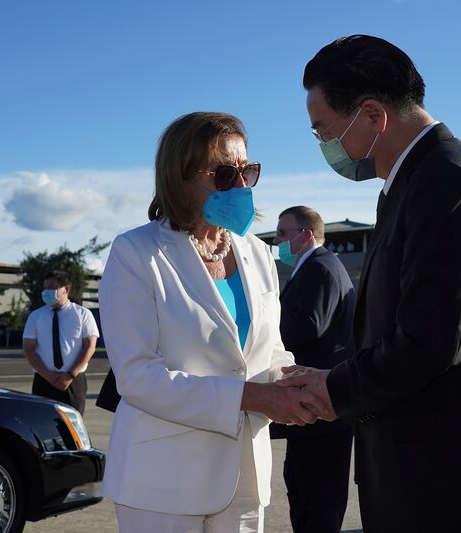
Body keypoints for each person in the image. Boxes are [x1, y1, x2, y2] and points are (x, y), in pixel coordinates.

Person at [280, 35, 461, 532]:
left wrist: (334, 387)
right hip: (434, 472)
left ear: (372, 115)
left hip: (460, 482)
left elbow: (431, 340)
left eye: (323, 131)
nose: (325, 147)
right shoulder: (415, 181)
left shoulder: (448, 180)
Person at [98, 112, 326, 533]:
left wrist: (299, 383)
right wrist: (252, 397)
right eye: (224, 175)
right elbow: (138, 376)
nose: (241, 186)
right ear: (180, 178)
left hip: (246, 478)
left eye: (248, 171)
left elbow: (267, 352)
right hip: (163, 483)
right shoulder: (136, 253)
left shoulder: (257, 253)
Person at [269, 206, 355, 533]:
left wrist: (263, 329)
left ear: (305, 235)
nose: (277, 241)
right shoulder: (315, 267)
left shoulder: (320, 268)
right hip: (313, 410)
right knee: (303, 490)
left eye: (282, 233)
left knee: (316, 501)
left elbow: (309, 325)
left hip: (322, 412)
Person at [22, 272, 99, 414]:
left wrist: (69, 375)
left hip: (73, 381)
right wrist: (48, 376)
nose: (47, 292)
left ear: (67, 289)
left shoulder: (83, 314)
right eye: (45, 288)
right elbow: (29, 349)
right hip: (43, 381)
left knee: (71, 428)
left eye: (52, 287)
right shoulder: (36, 316)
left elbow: (89, 347)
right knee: (42, 425)